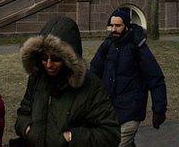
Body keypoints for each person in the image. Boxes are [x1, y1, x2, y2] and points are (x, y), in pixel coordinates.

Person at [13, 16, 119, 147]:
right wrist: (27, 129)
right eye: (44, 58)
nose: (48, 64)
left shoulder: (91, 86)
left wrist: (71, 137)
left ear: (68, 59)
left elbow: (110, 133)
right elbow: (24, 112)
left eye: (56, 59)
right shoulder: (37, 77)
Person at [89, 8, 168, 147]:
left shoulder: (138, 48)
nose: (114, 29)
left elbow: (155, 78)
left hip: (131, 110)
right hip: (109, 110)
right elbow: (94, 72)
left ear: (126, 26)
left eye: (118, 26)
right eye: (111, 25)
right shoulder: (108, 45)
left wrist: (159, 110)